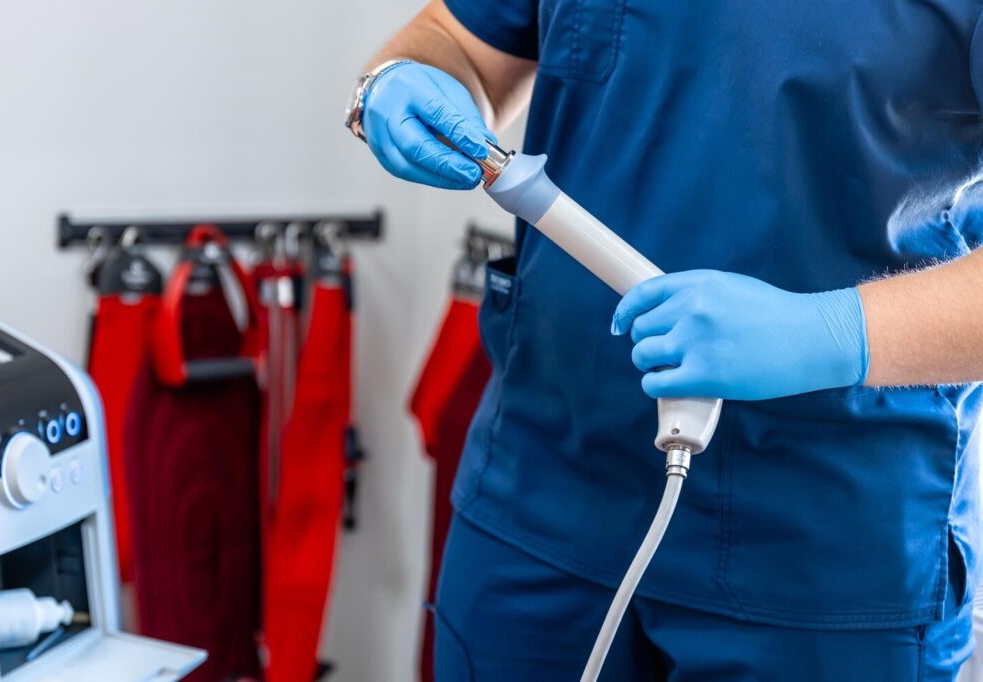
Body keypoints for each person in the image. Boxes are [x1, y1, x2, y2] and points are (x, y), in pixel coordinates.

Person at [345, 1, 983, 679]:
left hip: (826, 553)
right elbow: (458, 43)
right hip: (540, 496)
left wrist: (830, 332)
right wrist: (400, 80)